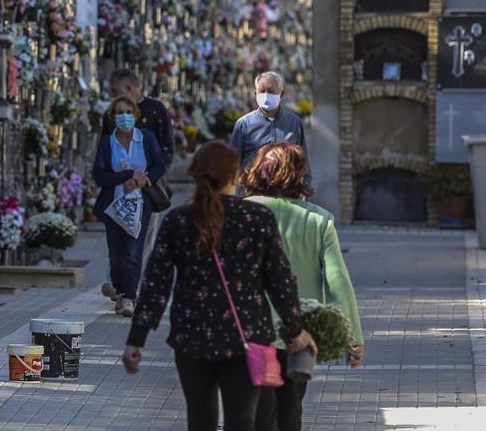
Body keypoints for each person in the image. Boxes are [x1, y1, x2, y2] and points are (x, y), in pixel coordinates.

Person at [123, 141, 316, 431]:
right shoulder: (256, 219)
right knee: (242, 421)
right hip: (247, 335)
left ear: (194, 174)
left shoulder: (179, 221)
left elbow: (155, 285)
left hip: (192, 337)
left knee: (200, 419)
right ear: (235, 176)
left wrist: (136, 340)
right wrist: (295, 330)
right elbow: (279, 280)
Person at [242, 142, 365, 431]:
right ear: (299, 175)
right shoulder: (318, 220)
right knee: (291, 409)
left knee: (257, 412)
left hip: (249, 331)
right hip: (300, 334)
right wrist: (354, 337)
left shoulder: (241, 213)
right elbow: (339, 282)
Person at [100, 69, 176, 303]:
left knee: (142, 236)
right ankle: (118, 282)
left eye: (116, 91)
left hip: (148, 185)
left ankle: (131, 285)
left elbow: (167, 147)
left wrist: (150, 175)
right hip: (118, 185)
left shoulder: (156, 110)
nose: (113, 96)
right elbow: (104, 146)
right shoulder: (110, 114)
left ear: (131, 89)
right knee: (117, 235)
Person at [92, 96, 167, 317]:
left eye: (128, 112)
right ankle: (121, 289)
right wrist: (126, 176)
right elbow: (99, 174)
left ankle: (129, 298)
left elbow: (159, 167)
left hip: (140, 205)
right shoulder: (108, 142)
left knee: (134, 253)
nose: (124, 116)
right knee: (117, 257)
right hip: (113, 205)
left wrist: (143, 179)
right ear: (113, 117)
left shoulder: (146, 138)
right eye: (119, 112)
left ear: (135, 115)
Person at [229, 71, 308, 181]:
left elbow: (304, 163)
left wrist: (305, 188)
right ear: (256, 94)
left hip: (285, 193)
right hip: (252, 194)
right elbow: (232, 162)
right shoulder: (243, 124)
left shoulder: (294, 123)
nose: (266, 95)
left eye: (271, 91)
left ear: (281, 94)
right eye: (262, 91)